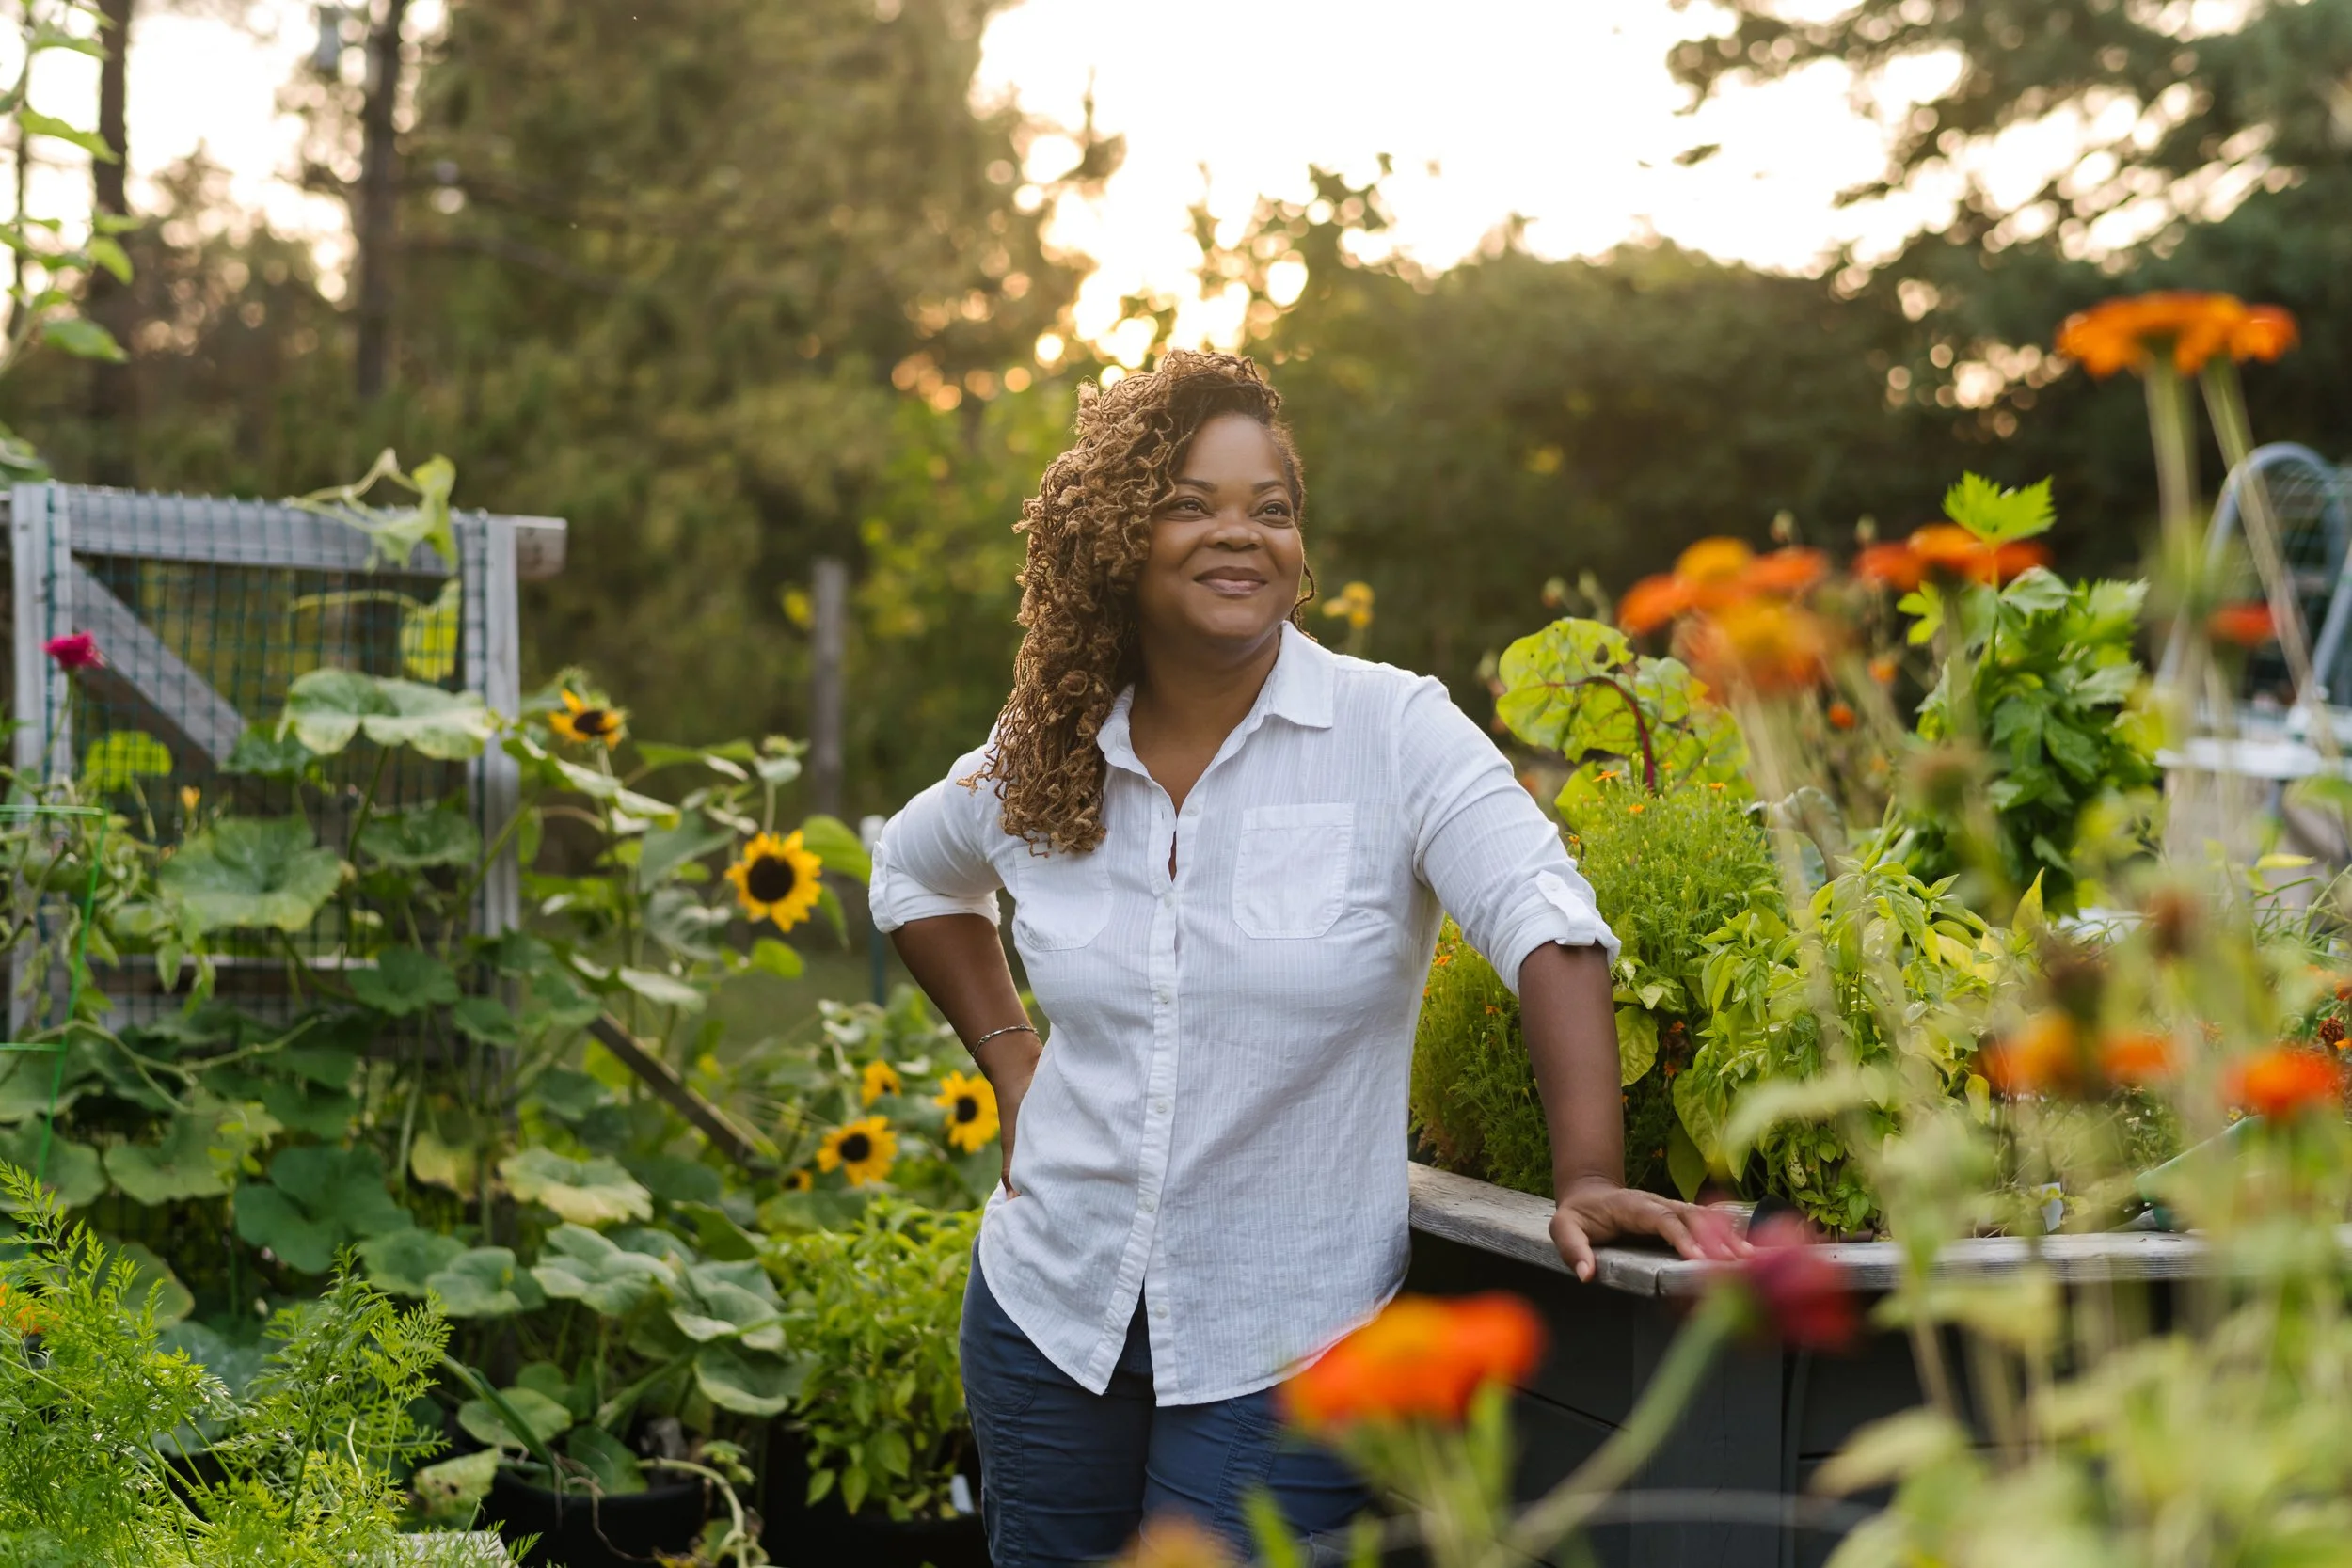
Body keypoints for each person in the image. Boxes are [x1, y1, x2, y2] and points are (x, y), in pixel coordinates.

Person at [868, 350, 1746, 1566]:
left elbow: (1544, 912)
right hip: (1046, 1316)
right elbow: (912, 874)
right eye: (1194, 503)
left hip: (1281, 1347)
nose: (1243, 536)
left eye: (1270, 509)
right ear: (1117, 535)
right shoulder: (1049, 748)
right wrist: (1013, 1063)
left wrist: (1584, 1167)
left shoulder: (1391, 732)